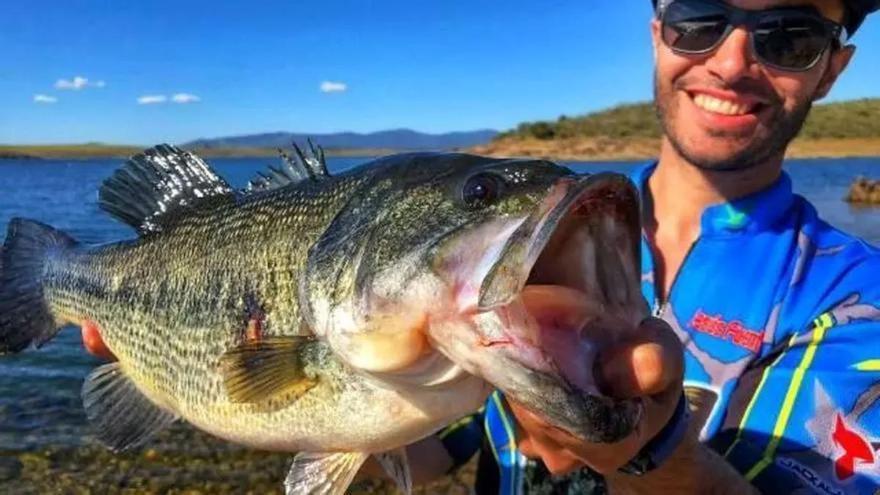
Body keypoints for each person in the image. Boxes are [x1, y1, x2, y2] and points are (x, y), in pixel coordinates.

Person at [83, 0, 880, 493]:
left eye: (789, 35)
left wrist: (657, 457)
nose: (733, 60)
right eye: (702, 18)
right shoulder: (514, 272)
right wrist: (257, 396)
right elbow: (432, 454)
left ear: (835, 66)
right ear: (659, 31)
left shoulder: (855, 303)